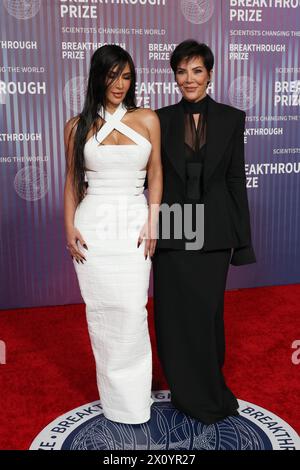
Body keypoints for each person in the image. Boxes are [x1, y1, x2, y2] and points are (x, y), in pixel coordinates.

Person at [151, 39, 256, 424]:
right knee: (173, 316)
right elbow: (149, 177)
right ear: (174, 76)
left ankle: (209, 388)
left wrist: (242, 243)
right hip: (173, 228)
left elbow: (234, 180)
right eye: (182, 71)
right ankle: (184, 390)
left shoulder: (232, 118)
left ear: (209, 74)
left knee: (206, 314)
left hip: (214, 232)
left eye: (197, 70)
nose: (189, 79)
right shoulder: (157, 119)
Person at [63, 45, 162, 424]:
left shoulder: (148, 119)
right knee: (101, 311)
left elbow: (156, 175)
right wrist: (69, 227)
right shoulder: (76, 125)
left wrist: (155, 220)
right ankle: (115, 402)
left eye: (126, 76)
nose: (119, 84)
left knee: (133, 310)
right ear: (97, 76)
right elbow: (72, 182)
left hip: (135, 223)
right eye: (112, 75)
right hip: (94, 226)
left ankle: (136, 400)